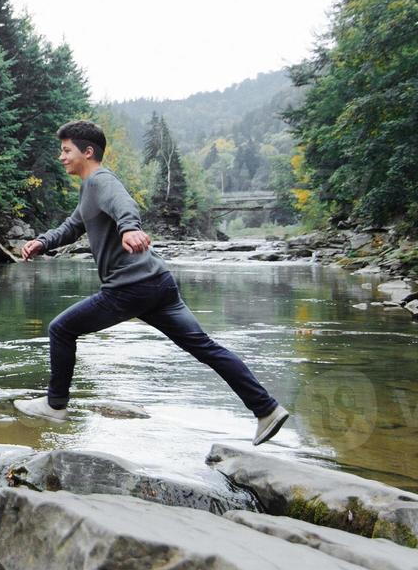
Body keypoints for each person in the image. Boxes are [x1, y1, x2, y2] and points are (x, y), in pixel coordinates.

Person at [16, 120, 290, 446]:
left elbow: (124, 204)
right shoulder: (89, 190)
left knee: (61, 329)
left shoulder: (101, 181)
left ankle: (54, 406)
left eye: (66, 150)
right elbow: (73, 226)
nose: (61, 157)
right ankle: (266, 409)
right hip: (158, 283)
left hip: (129, 287)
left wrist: (129, 227)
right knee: (205, 348)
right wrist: (42, 242)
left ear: (88, 152)